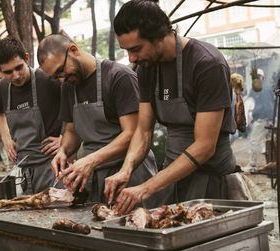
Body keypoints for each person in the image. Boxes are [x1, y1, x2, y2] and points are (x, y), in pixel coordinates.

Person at [106, 0, 237, 214]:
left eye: (136, 49)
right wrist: (126, 169)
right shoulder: (146, 69)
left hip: (210, 180)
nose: (131, 58)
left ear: (159, 35)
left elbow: (205, 146)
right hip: (171, 177)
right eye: (126, 51)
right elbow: (144, 129)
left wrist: (147, 187)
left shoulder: (206, 64)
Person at [37, 34, 158, 206]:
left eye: (61, 71)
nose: (62, 79)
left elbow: (133, 133)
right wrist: (63, 151)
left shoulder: (118, 76)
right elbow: (71, 131)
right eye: (56, 77)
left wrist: (91, 160)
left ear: (73, 50)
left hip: (129, 173)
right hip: (92, 176)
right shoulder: (68, 87)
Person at [0, 37, 63, 194]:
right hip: (22, 169)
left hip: (52, 164)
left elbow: (74, 107)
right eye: (8, 72)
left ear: (26, 57)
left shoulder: (48, 80)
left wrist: (65, 138)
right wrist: (6, 138)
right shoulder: (1, 88)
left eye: (19, 68)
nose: (16, 76)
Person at [248, 69, 274, 167]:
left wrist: (270, 119)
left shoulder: (264, 89)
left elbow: (269, 105)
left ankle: (252, 164)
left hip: (263, 120)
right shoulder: (259, 88)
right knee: (267, 143)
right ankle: (271, 163)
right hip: (262, 119)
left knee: (254, 141)